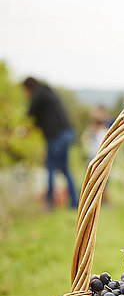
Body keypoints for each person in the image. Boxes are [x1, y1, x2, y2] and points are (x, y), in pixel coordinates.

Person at [22, 76, 79, 209]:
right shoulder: (48, 92)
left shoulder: (38, 93)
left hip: (56, 135)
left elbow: (31, 114)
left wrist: (25, 130)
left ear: (28, 87)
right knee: (65, 169)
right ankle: (75, 202)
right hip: (66, 132)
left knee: (51, 167)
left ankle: (50, 203)